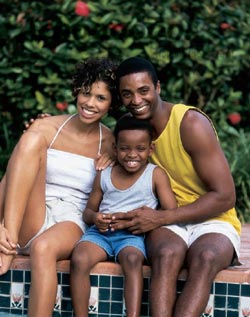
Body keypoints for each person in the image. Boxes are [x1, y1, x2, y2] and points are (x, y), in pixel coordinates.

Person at [109, 57, 242, 317]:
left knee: (204, 259)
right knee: (167, 254)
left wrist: (162, 217)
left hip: (212, 217)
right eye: (127, 94)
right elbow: (100, 140)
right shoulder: (132, 128)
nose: (136, 100)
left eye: (143, 90)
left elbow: (225, 196)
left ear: (158, 87)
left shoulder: (189, 123)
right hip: (165, 219)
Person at [0, 57, 118, 317]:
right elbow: (12, 177)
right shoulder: (46, 126)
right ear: (77, 91)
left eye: (101, 98)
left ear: (111, 103)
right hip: (33, 212)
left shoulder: (110, 142)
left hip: (72, 218)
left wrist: (116, 160)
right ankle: (6, 242)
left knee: (44, 248)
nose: (90, 103)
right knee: (30, 140)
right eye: (86, 94)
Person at [70, 115, 177, 317]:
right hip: (100, 234)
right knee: (79, 258)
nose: (132, 155)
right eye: (125, 148)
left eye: (140, 148)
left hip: (132, 236)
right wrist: (96, 219)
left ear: (150, 149)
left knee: (132, 259)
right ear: (115, 148)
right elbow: (88, 212)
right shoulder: (105, 174)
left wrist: (139, 219)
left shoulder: (155, 175)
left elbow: (170, 211)